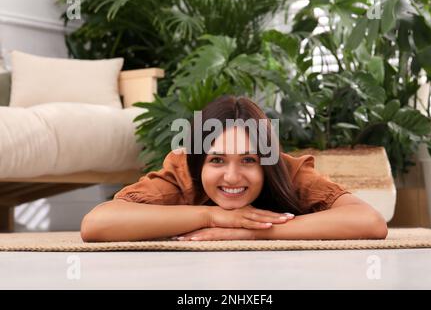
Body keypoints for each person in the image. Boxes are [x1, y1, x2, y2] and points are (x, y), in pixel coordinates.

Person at [80, 95, 388, 242]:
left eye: (248, 160)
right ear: (198, 160)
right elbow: (97, 224)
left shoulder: (287, 171)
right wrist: (213, 215)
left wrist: (250, 233)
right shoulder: (183, 173)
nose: (231, 176)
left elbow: (370, 221)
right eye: (216, 160)